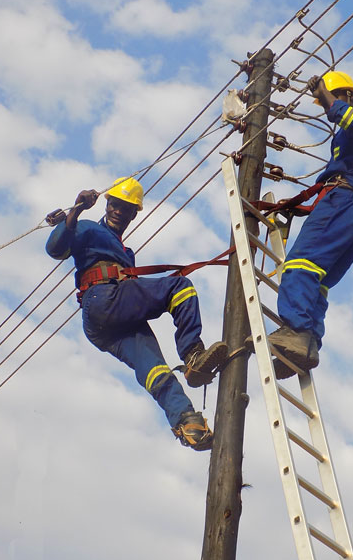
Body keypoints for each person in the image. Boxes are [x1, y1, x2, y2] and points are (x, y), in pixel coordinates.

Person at [45, 177, 228, 450]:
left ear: (133, 214)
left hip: (109, 321)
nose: (119, 211)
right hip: (104, 299)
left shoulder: (126, 252)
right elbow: (55, 248)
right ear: (107, 206)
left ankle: (188, 422)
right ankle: (193, 354)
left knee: (154, 368)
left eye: (126, 208)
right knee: (180, 288)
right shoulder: (86, 228)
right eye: (115, 205)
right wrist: (76, 210)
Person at [268, 71, 353, 377]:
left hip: (345, 202)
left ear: (347, 95)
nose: (325, 107)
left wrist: (325, 95)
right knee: (318, 281)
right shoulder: (349, 140)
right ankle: (305, 342)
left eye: (331, 99)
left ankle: (296, 331)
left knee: (299, 264)